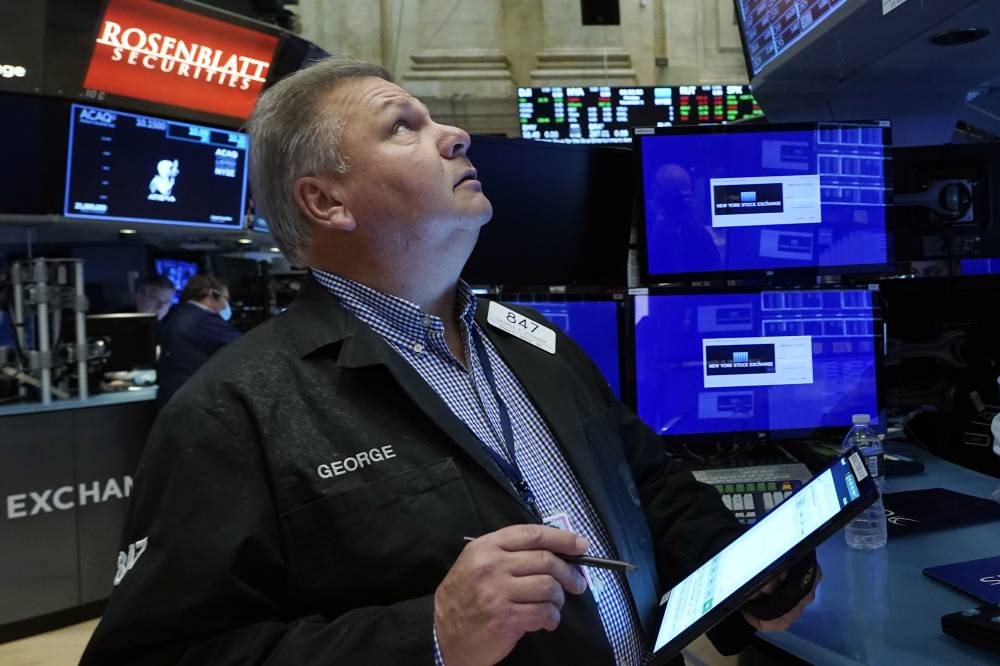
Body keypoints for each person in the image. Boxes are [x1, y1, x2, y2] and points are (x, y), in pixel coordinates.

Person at [82, 57, 818, 665]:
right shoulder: (237, 409)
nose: (456, 133)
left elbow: (645, 482)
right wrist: (430, 633)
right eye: (404, 126)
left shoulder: (534, 340)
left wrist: (739, 567)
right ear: (326, 201)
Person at [155, 274, 240, 406]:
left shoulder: (178, 315)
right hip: (195, 402)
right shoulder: (202, 320)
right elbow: (244, 348)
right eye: (226, 299)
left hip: (175, 399)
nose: (226, 306)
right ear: (213, 294)